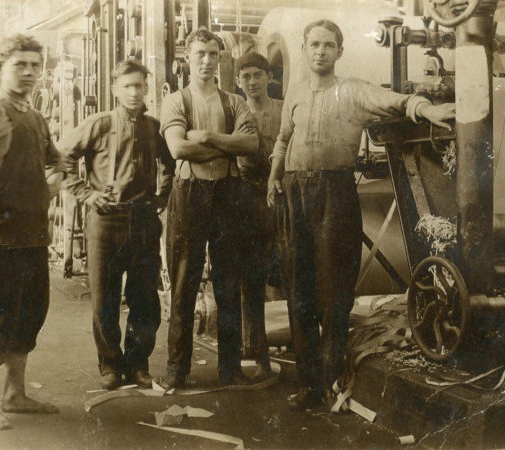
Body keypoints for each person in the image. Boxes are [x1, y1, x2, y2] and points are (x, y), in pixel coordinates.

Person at [267, 19, 455, 411]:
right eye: (314, 43)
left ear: (339, 52)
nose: (320, 50)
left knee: (334, 291)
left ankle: (331, 375)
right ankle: (308, 387)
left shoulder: (352, 91)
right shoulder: (297, 91)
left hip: (335, 194)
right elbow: (283, 140)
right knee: (298, 290)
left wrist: (427, 107)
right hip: (293, 194)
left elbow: (398, 101)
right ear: (304, 49)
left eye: (329, 45)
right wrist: (273, 177)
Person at [0, 34, 64, 429]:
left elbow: (58, 161)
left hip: (33, 234)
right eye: (20, 64)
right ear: (2, 67)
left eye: (35, 66)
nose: (29, 72)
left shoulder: (35, 117)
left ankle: (15, 393)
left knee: (29, 315)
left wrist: (50, 188)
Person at [59, 59, 175, 390]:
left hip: (142, 220)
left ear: (146, 88)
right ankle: (109, 364)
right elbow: (61, 156)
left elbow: (169, 164)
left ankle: (137, 364)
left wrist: (161, 197)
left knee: (144, 299)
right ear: (115, 90)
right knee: (104, 298)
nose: (134, 92)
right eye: (127, 86)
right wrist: (84, 193)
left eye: (139, 85)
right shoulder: (97, 124)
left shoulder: (154, 128)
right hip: (106, 220)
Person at [159, 29, 258, 389]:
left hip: (228, 194)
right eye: (200, 53)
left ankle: (230, 369)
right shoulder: (176, 101)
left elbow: (251, 143)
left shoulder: (233, 102)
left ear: (220, 59)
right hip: (189, 193)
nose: (206, 60)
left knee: (228, 282)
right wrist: (226, 148)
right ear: (187, 57)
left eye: (213, 54)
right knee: (184, 281)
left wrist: (210, 138)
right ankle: (176, 369)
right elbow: (178, 150)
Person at [234, 52, 283, 379]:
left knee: (288, 271)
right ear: (238, 82)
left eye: (257, 75)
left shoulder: (282, 109)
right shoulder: (236, 112)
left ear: (268, 77)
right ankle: (257, 353)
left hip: (281, 195)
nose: (252, 82)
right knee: (251, 279)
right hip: (246, 198)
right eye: (245, 77)